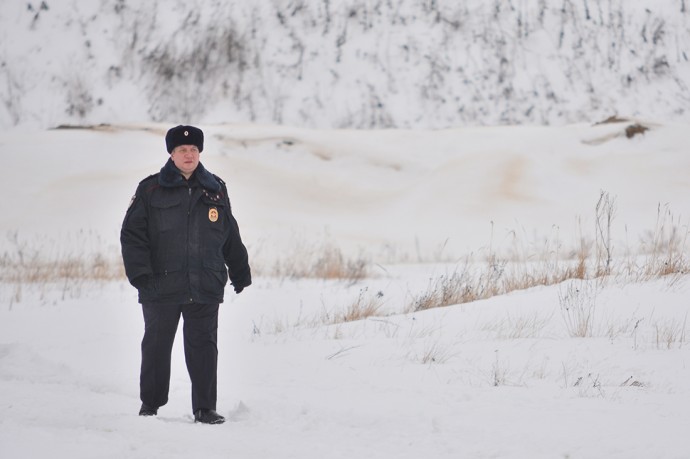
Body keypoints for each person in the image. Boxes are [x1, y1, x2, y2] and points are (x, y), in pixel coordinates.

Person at [120, 125, 251, 425]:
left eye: (193, 150)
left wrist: (240, 271)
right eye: (182, 150)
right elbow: (132, 234)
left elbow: (229, 233)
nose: (188, 154)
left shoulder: (216, 188)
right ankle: (150, 404)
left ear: (200, 152)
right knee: (156, 345)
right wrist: (140, 275)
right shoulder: (150, 189)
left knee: (204, 346)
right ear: (171, 153)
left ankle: (205, 408)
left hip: (205, 282)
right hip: (160, 284)